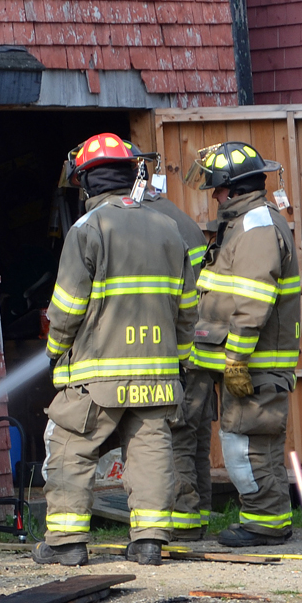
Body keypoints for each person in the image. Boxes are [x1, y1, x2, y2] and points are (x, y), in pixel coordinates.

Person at [32, 133, 198, 567]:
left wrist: (55, 350)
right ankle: (148, 541)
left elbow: (66, 306)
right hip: (158, 374)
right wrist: (180, 361)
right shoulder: (168, 228)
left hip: (98, 373)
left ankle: (66, 542)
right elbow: (186, 309)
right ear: (130, 177)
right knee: (150, 451)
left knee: (70, 443)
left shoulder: (88, 229)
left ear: (86, 182)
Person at [184, 141, 301, 547]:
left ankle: (265, 523)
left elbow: (253, 301)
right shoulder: (244, 223)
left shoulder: (255, 227)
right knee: (248, 441)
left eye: (216, 188)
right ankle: (266, 518)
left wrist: (235, 359)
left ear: (231, 188)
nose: (213, 196)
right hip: (245, 359)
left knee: (248, 444)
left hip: (253, 361)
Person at [122, 140, 216, 542]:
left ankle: (182, 520)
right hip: (201, 340)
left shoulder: (143, 221)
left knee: (175, 431)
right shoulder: (177, 216)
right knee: (194, 435)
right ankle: (197, 517)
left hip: (178, 343)